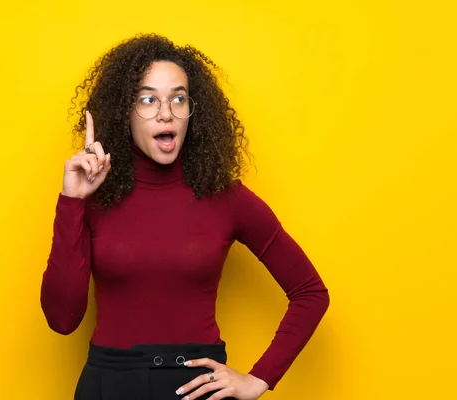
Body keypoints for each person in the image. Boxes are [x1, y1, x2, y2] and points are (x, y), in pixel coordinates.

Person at [40, 33, 330, 400]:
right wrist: (72, 201)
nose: (166, 113)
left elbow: (310, 292)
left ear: (194, 110)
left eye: (178, 98)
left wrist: (257, 379)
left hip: (198, 388)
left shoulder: (227, 198)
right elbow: (62, 320)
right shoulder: (94, 196)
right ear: (123, 111)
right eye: (148, 99)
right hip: (109, 385)